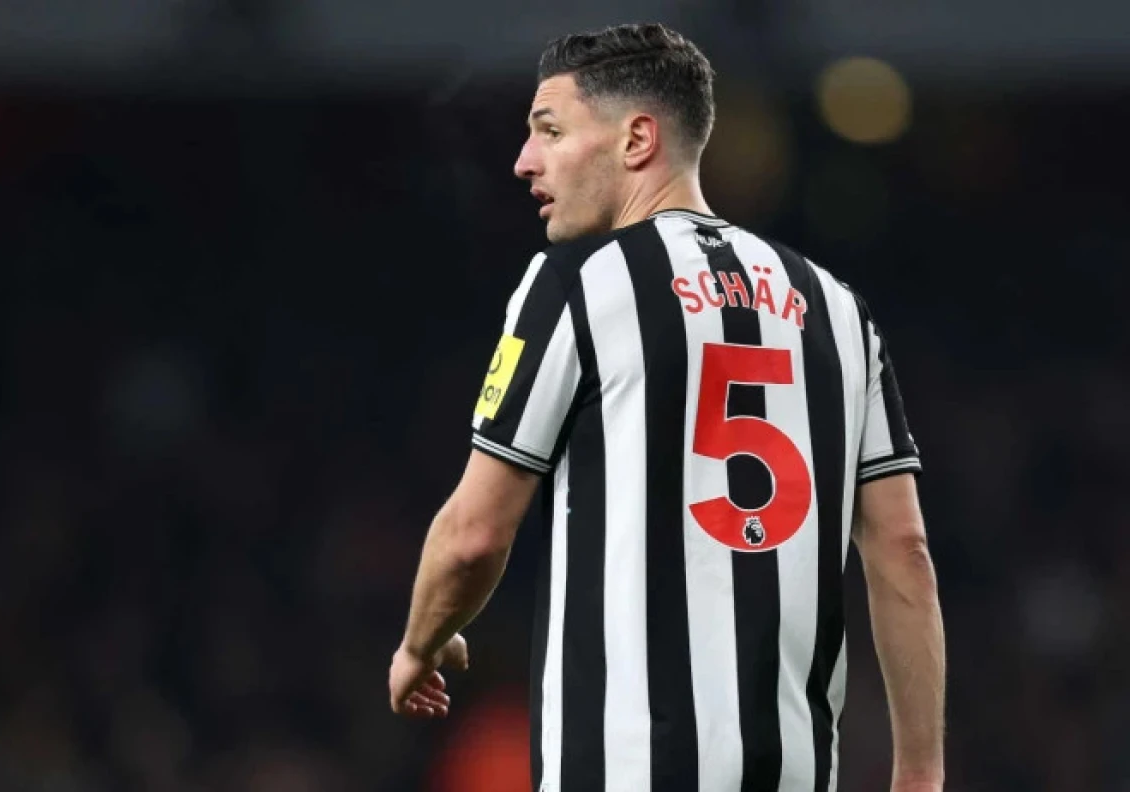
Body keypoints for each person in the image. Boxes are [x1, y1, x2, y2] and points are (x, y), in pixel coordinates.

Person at [389, 22, 945, 792]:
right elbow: (904, 551)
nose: (524, 161)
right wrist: (919, 772)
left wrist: (421, 640)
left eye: (550, 130)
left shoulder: (573, 286)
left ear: (637, 139)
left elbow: (475, 534)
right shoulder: (839, 309)